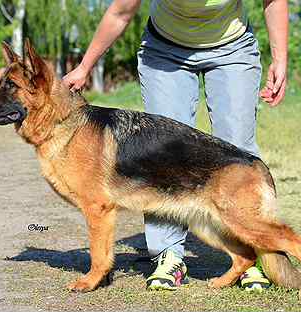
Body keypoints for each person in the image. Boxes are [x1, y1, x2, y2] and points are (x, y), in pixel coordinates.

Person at [63, 0, 288, 291]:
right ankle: (168, 255)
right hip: (165, 51)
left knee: (237, 149)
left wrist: (280, 58)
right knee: (161, 155)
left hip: (232, 47)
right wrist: (84, 66)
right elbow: (120, 12)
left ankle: (252, 258)